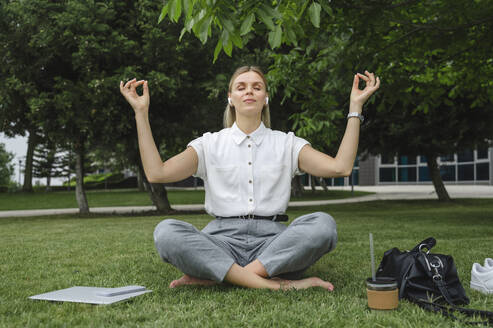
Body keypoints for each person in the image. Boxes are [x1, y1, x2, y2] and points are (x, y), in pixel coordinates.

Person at [120, 66, 380, 291]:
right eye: (241, 87)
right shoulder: (208, 144)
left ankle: (223, 276)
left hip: (273, 243)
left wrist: (355, 107)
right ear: (230, 97)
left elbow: (341, 167)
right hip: (220, 241)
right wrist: (141, 113)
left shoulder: (287, 143)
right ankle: (272, 283)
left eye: (257, 87)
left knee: (323, 225)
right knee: (166, 232)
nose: (249, 91)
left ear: (265, 98)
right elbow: (157, 173)